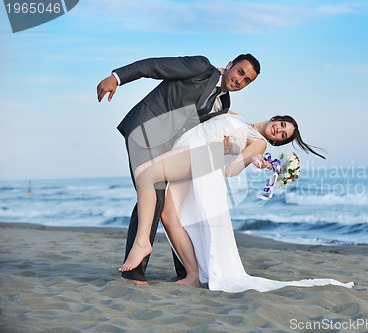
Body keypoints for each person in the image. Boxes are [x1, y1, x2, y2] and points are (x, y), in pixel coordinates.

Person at [119, 112, 354, 292]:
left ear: (277, 143)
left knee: (146, 174)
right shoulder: (237, 116)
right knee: (169, 215)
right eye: (281, 125)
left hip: (200, 155)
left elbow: (230, 169)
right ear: (276, 118)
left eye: (282, 136)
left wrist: (251, 159)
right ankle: (192, 275)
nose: (278, 131)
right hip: (191, 149)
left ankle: (143, 243)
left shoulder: (259, 142)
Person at [97, 54, 261, 285]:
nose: (239, 80)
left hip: (168, 147)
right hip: (144, 129)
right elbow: (154, 66)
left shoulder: (223, 104)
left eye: (246, 81)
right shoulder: (201, 68)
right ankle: (133, 273)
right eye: (240, 72)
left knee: (173, 201)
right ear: (230, 65)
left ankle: (185, 271)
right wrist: (117, 77)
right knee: (155, 194)